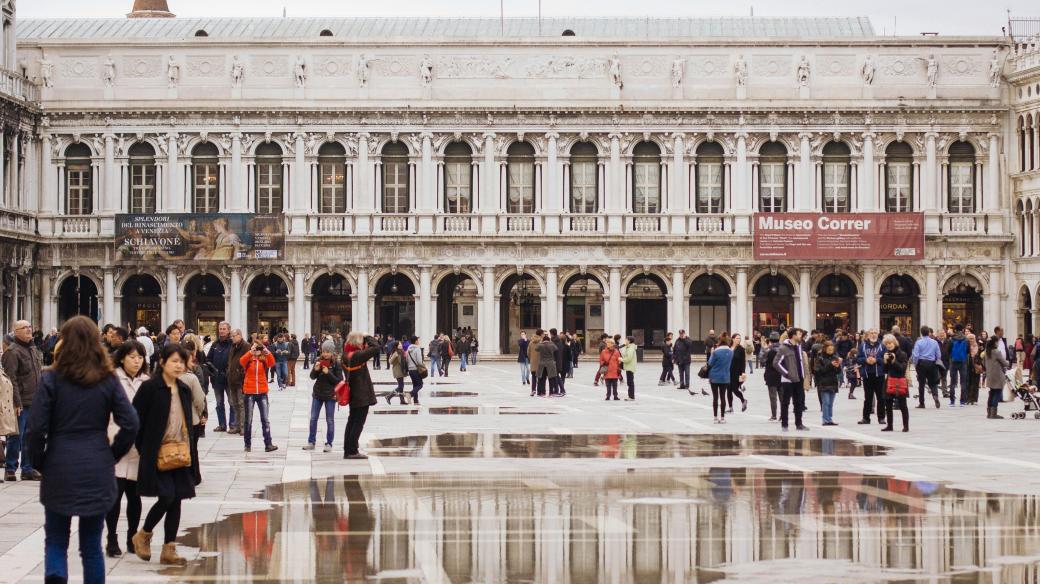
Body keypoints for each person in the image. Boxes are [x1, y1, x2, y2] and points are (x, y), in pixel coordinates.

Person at [27, 317, 139, 583]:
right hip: (97, 463)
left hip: (59, 464)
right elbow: (131, 423)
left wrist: (40, 461)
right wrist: (112, 454)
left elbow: (35, 429)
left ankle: (56, 577)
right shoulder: (107, 379)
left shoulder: (52, 378)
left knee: (55, 539)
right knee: (91, 546)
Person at [130, 344, 201, 566]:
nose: (179, 365)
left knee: (177, 498)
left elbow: (187, 422)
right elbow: (134, 421)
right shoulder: (150, 388)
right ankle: (143, 534)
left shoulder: (183, 388)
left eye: (182, 361)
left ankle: (169, 548)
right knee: (167, 496)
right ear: (162, 362)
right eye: (174, 361)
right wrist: (145, 449)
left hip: (180, 452)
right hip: (157, 453)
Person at [105, 340, 149, 558]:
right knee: (114, 494)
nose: (136, 361)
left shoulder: (147, 382)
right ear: (122, 358)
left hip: (138, 447)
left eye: (140, 357)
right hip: (115, 442)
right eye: (132, 356)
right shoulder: (111, 380)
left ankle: (133, 536)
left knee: (135, 495)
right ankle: (111, 537)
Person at [4, 319, 43, 482]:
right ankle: (11, 468)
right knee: (16, 436)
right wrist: (17, 402)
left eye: (29, 327)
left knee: (31, 436)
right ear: (16, 331)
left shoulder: (33, 349)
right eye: (24, 327)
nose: (28, 330)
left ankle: (27, 468)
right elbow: (11, 379)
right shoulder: (12, 351)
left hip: (35, 400)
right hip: (21, 401)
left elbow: (38, 374)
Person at [341, 332, 380, 459]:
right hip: (361, 393)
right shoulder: (357, 355)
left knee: (351, 421)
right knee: (358, 423)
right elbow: (376, 347)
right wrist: (367, 336)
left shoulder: (346, 354)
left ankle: (348, 449)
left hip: (353, 392)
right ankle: (352, 450)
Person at [239, 339, 278, 453]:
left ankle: (268, 444)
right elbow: (241, 361)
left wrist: (267, 351)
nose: (257, 350)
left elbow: (272, 363)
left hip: (262, 392)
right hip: (249, 392)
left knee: (265, 419)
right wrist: (250, 352)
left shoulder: (264, 359)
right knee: (248, 419)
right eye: (255, 347)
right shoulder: (248, 359)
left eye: (258, 348)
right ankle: (247, 444)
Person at [306, 341, 343, 452]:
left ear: (332, 352)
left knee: (330, 420)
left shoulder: (336, 363)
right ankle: (311, 441)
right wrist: (315, 370)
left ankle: (329, 443)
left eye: (328, 352)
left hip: (330, 395)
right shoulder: (318, 361)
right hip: (317, 393)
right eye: (323, 352)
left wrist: (328, 373)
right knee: (313, 418)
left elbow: (339, 380)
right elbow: (312, 377)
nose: (325, 354)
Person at [773, 327, 809, 431]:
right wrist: (786, 374)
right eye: (799, 334)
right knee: (785, 403)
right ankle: (785, 424)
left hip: (799, 378)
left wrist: (804, 374)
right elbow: (776, 363)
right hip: (788, 381)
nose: (801, 336)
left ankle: (799, 424)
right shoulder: (784, 348)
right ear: (793, 335)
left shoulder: (798, 346)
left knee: (798, 402)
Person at [856, 329, 887, 425]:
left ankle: (881, 418)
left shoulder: (882, 346)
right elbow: (857, 358)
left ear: (878, 334)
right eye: (871, 333)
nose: (873, 335)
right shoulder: (863, 346)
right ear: (868, 335)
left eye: (875, 333)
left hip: (879, 375)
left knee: (881, 397)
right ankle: (866, 418)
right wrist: (866, 360)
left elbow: (886, 358)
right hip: (867, 374)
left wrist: (876, 360)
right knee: (868, 397)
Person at [206, 322, 233, 432]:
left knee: (232, 402)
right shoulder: (215, 344)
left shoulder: (232, 344)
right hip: (217, 379)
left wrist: (229, 370)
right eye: (220, 329)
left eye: (224, 329)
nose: (221, 331)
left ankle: (233, 424)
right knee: (219, 403)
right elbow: (208, 360)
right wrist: (213, 371)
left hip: (229, 378)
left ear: (228, 330)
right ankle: (222, 424)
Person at [881, 334, 910, 432]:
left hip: (899, 381)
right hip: (889, 381)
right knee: (888, 405)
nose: (888, 345)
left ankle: (906, 426)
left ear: (894, 343)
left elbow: (902, 369)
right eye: (887, 344)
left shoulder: (902, 354)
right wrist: (885, 361)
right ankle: (890, 425)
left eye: (890, 343)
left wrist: (894, 361)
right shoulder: (887, 354)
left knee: (902, 405)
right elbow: (885, 370)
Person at [910, 326, 942, 409]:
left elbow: (916, 355)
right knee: (933, 382)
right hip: (932, 363)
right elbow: (938, 354)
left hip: (922, 363)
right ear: (929, 333)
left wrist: (916, 364)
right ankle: (935, 396)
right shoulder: (934, 342)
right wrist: (936, 361)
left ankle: (922, 402)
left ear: (921, 333)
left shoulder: (919, 342)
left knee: (921, 383)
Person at [225, 329, 249, 435]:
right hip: (232, 379)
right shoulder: (233, 346)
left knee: (241, 403)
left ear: (239, 335)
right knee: (234, 403)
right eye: (231, 336)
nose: (232, 338)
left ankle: (243, 427)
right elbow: (230, 361)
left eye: (233, 336)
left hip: (240, 380)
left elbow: (247, 362)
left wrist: (241, 374)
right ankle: (237, 426)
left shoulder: (246, 346)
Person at [814, 340, 842, 426]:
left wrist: (838, 366)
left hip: (833, 382)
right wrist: (831, 365)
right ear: (825, 349)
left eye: (832, 350)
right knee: (825, 402)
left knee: (830, 403)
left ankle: (829, 418)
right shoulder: (820, 358)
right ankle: (825, 419)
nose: (831, 352)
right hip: (823, 383)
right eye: (829, 350)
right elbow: (819, 371)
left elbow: (838, 372)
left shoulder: (835, 357)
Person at [707, 335, 733, 424]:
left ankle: (715, 417)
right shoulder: (731, 352)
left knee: (715, 397)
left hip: (714, 376)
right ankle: (722, 417)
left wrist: (711, 354)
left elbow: (710, 363)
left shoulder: (716, 352)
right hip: (725, 377)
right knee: (723, 397)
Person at [984, 337, 1010, 419]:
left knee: (992, 393)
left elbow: (984, 363)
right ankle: (993, 413)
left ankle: (989, 413)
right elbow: (1005, 363)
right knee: (997, 392)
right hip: (997, 375)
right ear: (995, 343)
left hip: (990, 375)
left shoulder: (986, 352)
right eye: (997, 342)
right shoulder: (996, 352)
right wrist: (1008, 362)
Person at [727, 334, 749, 412]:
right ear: (732, 339)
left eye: (739, 338)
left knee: (735, 389)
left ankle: (743, 400)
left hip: (736, 372)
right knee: (728, 390)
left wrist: (743, 372)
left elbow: (743, 362)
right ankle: (730, 408)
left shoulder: (741, 349)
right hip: (728, 371)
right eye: (737, 338)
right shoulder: (728, 348)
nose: (738, 340)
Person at [762, 333, 782, 420]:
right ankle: (783, 415)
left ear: (770, 340)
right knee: (782, 397)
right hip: (781, 374)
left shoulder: (768, 350)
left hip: (770, 375)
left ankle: (774, 415)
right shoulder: (783, 349)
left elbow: (762, 360)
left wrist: (764, 348)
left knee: (773, 397)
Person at [405, 336, 425, 405]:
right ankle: (410, 394)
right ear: (416, 341)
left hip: (410, 370)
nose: (418, 341)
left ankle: (416, 400)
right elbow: (419, 362)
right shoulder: (417, 349)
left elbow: (406, 360)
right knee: (420, 384)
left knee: (415, 384)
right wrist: (423, 365)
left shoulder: (408, 349)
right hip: (416, 370)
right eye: (418, 340)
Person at [621, 336, 638, 401]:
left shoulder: (631, 348)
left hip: (630, 367)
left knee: (630, 382)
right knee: (630, 382)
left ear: (629, 341)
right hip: (629, 367)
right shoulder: (628, 347)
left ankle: (631, 396)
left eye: (626, 340)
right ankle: (630, 396)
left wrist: (621, 359)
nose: (625, 341)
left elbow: (628, 358)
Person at [528, 329, 543, 396]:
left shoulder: (531, 342)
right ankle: (540, 391)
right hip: (540, 362)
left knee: (534, 377)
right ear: (541, 334)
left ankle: (533, 390)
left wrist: (531, 359)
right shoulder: (542, 342)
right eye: (543, 333)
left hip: (533, 362)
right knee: (540, 377)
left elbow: (528, 352)